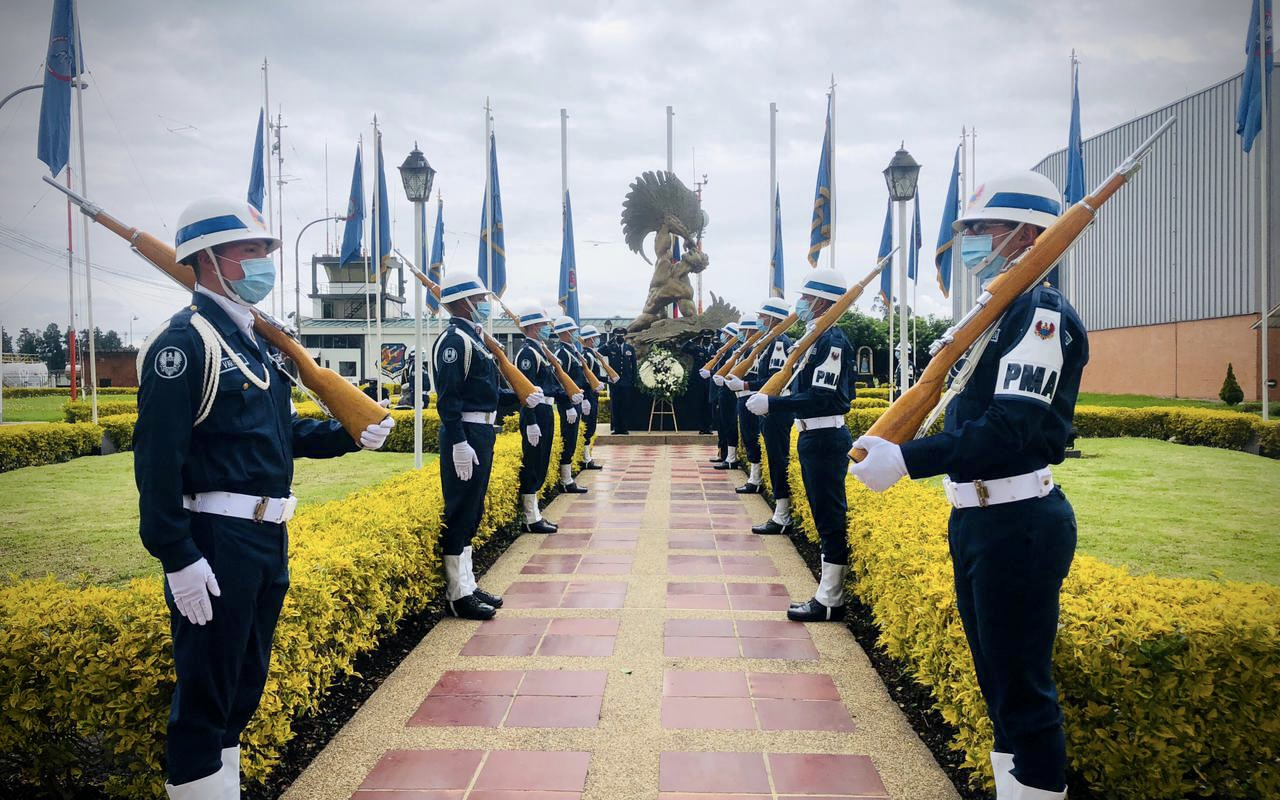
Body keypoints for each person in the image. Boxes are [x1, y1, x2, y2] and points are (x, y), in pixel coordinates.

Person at [134, 198, 396, 799]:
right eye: (249, 250)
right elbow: (156, 464)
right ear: (207, 259)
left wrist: (349, 433)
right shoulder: (186, 344)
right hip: (214, 542)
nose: (264, 261)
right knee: (204, 697)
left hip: (264, 537)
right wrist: (177, 555)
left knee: (242, 688)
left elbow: (279, 436)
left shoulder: (257, 342)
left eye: (265, 250)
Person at [849, 171, 1086, 800]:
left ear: (1028, 236)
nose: (972, 242)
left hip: (1019, 524)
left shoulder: (1038, 315)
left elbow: (1010, 427)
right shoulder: (998, 312)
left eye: (982, 228)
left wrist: (907, 460)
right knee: (998, 682)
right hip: (981, 519)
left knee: (1022, 690)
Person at [434, 271, 545, 619]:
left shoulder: (476, 340)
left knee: (474, 511)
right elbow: (449, 399)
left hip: (481, 432)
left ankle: (466, 583)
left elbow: (487, 395)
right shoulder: (455, 342)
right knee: (461, 510)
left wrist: (520, 399)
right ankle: (456, 593)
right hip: (465, 434)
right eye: (478, 299)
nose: (483, 304)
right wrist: (458, 442)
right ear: (462, 302)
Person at [745, 269, 854, 622]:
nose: (801, 304)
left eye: (806, 298)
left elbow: (822, 397)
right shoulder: (815, 337)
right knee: (823, 513)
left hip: (825, 435)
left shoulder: (831, 340)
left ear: (821, 300)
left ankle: (830, 599)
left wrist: (773, 404)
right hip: (812, 435)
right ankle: (827, 594)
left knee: (829, 515)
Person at [725, 298, 796, 532]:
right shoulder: (769, 342)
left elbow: (775, 380)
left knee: (778, 460)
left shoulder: (778, 343)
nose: (759, 321)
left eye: (762, 317)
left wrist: (745, 385)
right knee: (772, 457)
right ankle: (779, 510)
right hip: (769, 407)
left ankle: (782, 515)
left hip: (776, 409)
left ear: (773, 319)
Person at [512, 306, 561, 533]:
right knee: (533, 464)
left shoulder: (540, 350)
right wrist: (530, 421)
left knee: (541, 462)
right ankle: (530, 518)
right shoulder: (527, 354)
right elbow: (526, 392)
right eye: (542, 325)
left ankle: (536, 513)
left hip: (545, 411)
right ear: (532, 326)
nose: (545, 329)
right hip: (536, 413)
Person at [712, 320, 758, 470]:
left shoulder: (747, 349)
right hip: (731, 393)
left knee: (734, 427)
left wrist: (726, 382)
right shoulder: (739, 350)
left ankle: (731, 457)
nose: (723, 336)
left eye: (743, 329)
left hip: (737, 393)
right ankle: (728, 456)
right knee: (725, 425)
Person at [550, 316, 589, 493]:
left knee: (573, 440)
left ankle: (568, 478)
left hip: (576, 401)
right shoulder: (562, 354)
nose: (575, 334)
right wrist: (566, 405)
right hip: (569, 404)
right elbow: (559, 381)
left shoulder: (572, 351)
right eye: (572, 331)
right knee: (568, 439)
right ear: (565, 332)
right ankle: (565, 480)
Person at [699, 322, 739, 464]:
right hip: (718, 391)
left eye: (724, 333)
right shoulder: (725, 349)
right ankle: (723, 453)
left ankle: (728, 455)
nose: (721, 335)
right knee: (721, 425)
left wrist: (710, 373)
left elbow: (725, 371)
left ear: (729, 334)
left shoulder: (731, 350)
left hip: (724, 391)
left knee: (726, 425)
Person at [578, 325, 610, 470]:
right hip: (588, 395)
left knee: (591, 427)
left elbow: (594, 377)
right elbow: (584, 378)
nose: (598, 339)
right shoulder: (587, 356)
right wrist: (584, 398)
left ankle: (587, 456)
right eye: (596, 337)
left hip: (592, 394)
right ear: (590, 339)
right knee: (588, 427)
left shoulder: (591, 355)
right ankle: (585, 458)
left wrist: (607, 379)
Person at [599, 326, 637, 434]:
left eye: (621, 335)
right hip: (614, 382)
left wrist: (634, 380)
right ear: (615, 337)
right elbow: (599, 352)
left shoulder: (630, 348)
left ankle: (624, 428)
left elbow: (634, 366)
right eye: (617, 336)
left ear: (624, 336)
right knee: (615, 405)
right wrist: (608, 343)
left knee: (625, 405)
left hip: (626, 382)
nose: (620, 337)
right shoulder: (610, 348)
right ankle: (616, 428)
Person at [681, 330, 717, 434]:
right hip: (699, 382)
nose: (707, 340)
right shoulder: (697, 349)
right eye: (704, 338)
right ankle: (702, 427)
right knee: (700, 404)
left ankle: (709, 427)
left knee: (710, 404)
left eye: (708, 338)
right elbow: (684, 348)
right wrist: (693, 340)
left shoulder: (715, 349)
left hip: (710, 380)